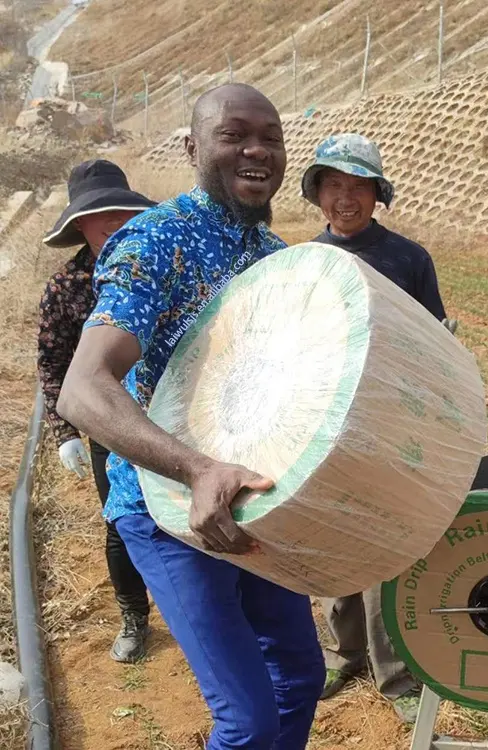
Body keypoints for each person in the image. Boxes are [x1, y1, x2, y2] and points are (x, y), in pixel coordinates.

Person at [56, 83, 325, 750]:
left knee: (298, 674)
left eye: (271, 135)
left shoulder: (276, 260)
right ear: (193, 146)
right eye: (235, 134)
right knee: (247, 720)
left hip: (246, 499)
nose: (256, 148)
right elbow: (83, 388)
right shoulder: (158, 240)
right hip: (165, 505)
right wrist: (198, 468)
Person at [300, 132, 456, 724]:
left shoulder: (407, 259)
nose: (345, 198)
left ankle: (396, 673)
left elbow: (436, 344)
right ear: (318, 194)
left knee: (388, 543)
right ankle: (345, 654)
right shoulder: (307, 260)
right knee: (332, 537)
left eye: (357, 186)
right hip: (326, 423)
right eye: (334, 185)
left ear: (376, 194)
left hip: (392, 423)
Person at [37, 159, 157, 663]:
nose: (112, 221)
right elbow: (54, 363)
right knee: (122, 522)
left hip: (177, 413)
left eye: (122, 209)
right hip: (110, 423)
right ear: (79, 225)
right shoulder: (66, 290)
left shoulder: (161, 264)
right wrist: (65, 430)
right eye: (98, 213)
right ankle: (134, 615)